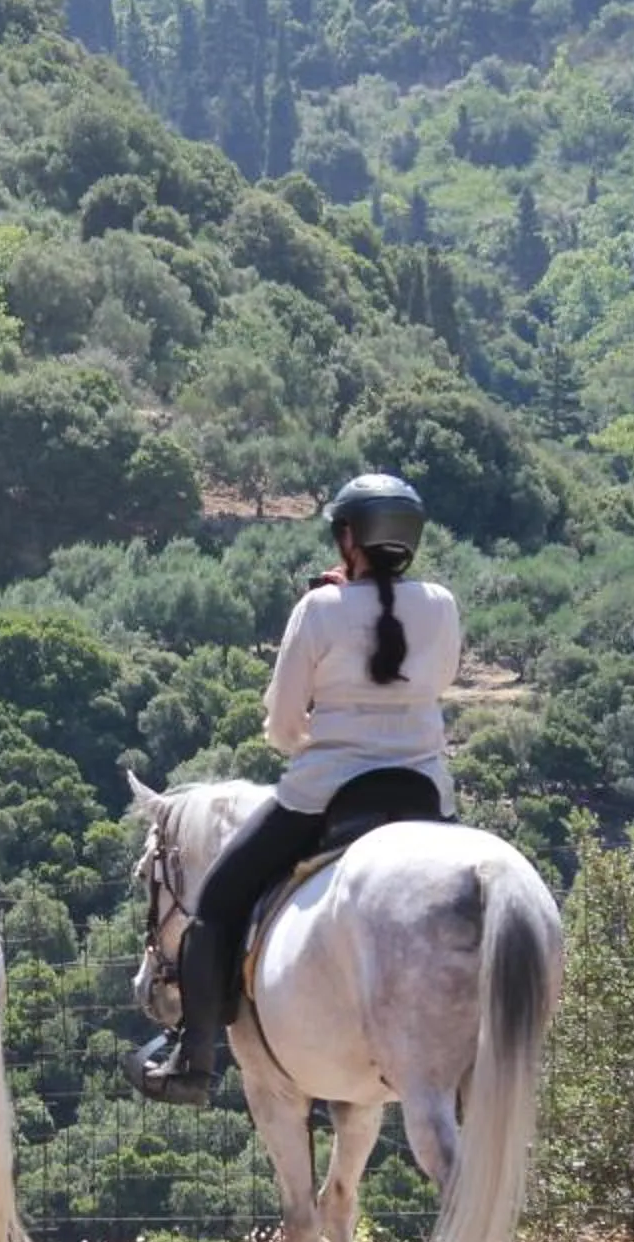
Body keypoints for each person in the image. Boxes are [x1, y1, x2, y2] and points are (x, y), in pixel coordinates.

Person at [132, 473, 459, 1105]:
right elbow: (435, 681)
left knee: (218, 905)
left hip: (326, 794)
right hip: (424, 792)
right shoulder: (441, 603)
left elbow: (283, 726)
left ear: (346, 538)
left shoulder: (319, 609)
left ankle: (193, 1060)